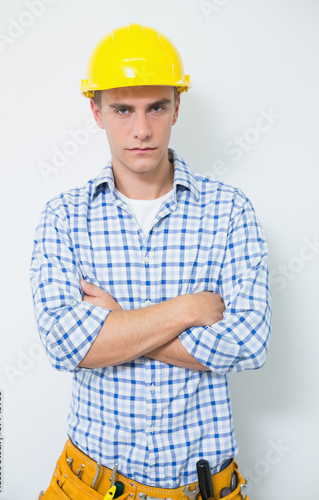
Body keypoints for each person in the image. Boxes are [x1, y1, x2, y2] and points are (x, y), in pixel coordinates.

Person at [30, 23, 271, 500]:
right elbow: (64, 345)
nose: (141, 129)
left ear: (177, 106)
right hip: (87, 486)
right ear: (96, 111)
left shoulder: (229, 211)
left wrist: (115, 325)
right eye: (122, 109)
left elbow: (249, 343)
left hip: (204, 490)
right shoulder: (63, 217)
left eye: (156, 107)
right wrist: (188, 309)